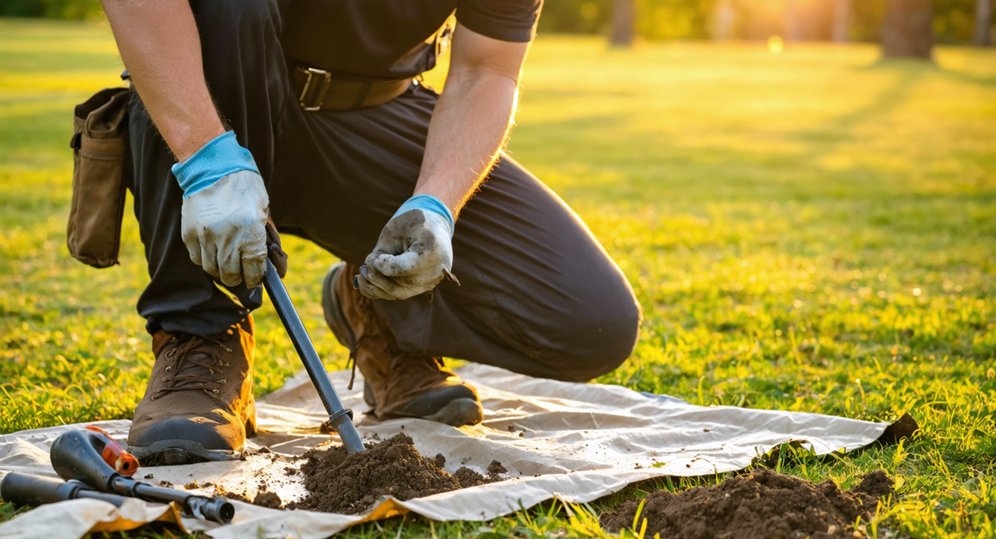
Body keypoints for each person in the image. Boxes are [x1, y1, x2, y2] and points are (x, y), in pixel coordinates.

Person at [100, 0, 641, 465]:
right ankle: (200, 338)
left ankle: (383, 312)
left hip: (373, 113)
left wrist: (436, 205)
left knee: (593, 321)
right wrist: (206, 159)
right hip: (211, 105)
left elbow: (486, 71)